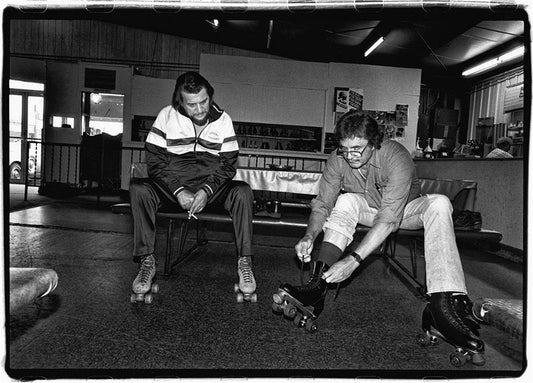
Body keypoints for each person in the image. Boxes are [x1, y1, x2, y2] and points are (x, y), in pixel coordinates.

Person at [275, 110, 485, 364]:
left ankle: (443, 303)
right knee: (345, 200)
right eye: (345, 149)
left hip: (404, 210)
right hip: (369, 209)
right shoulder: (337, 159)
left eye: (357, 149)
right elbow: (322, 204)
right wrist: (309, 236)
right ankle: (318, 285)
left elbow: (389, 220)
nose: (350, 156)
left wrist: (353, 260)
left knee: (440, 203)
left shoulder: (396, 155)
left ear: (374, 143)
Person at [129, 71, 256, 300]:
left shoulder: (223, 120)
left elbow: (228, 166)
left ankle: (245, 262)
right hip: (173, 189)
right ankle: (147, 261)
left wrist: (207, 191)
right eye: (192, 105)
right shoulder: (166, 116)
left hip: (211, 190)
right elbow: (155, 163)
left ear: (210, 96)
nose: (199, 109)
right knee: (139, 189)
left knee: (243, 192)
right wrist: (178, 191)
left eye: (204, 102)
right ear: (180, 101)